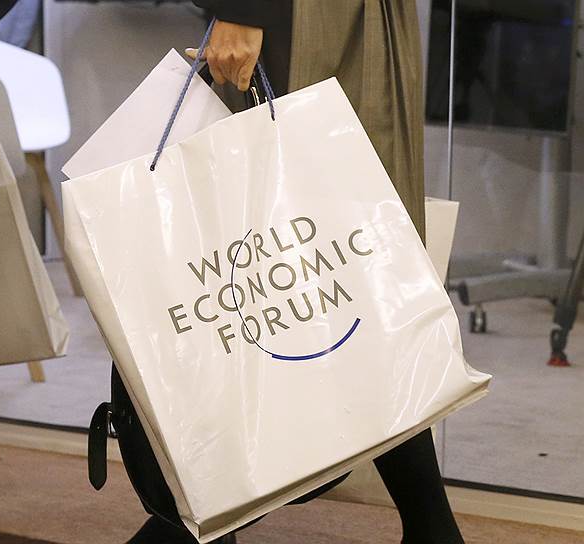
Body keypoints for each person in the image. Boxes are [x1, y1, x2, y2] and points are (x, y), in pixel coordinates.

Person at [123, 2, 463, 543]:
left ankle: (205, 518)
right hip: (327, 19)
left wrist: (240, 5)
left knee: (317, 262)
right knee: (324, 262)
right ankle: (431, 528)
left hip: (315, 20)